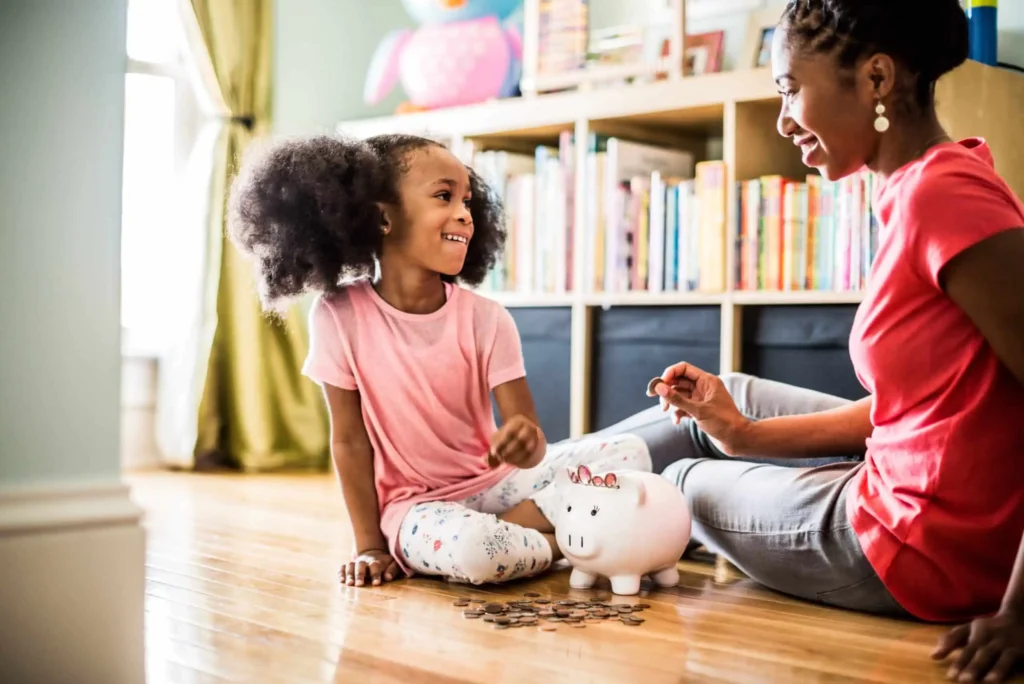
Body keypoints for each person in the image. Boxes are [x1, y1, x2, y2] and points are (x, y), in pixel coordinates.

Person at [600, 1, 1024, 682]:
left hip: (924, 549)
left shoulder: (942, 199)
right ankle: (511, 494)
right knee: (726, 396)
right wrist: (742, 435)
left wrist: (1020, 612)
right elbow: (915, 408)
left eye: (791, 89)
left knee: (675, 482)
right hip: (906, 493)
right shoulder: (923, 186)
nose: (784, 119)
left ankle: (508, 507)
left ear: (877, 78)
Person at [227, 133, 651, 590]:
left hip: (497, 486)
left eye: (468, 201)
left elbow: (530, 439)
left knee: (631, 453)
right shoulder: (337, 316)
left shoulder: (488, 319)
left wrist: (523, 439)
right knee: (477, 552)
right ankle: (567, 541)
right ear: (382, 217)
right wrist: (370, 546)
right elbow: (349, 443)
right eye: (444, 196)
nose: (465, 214)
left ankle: (530, 533)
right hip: (416, 509)